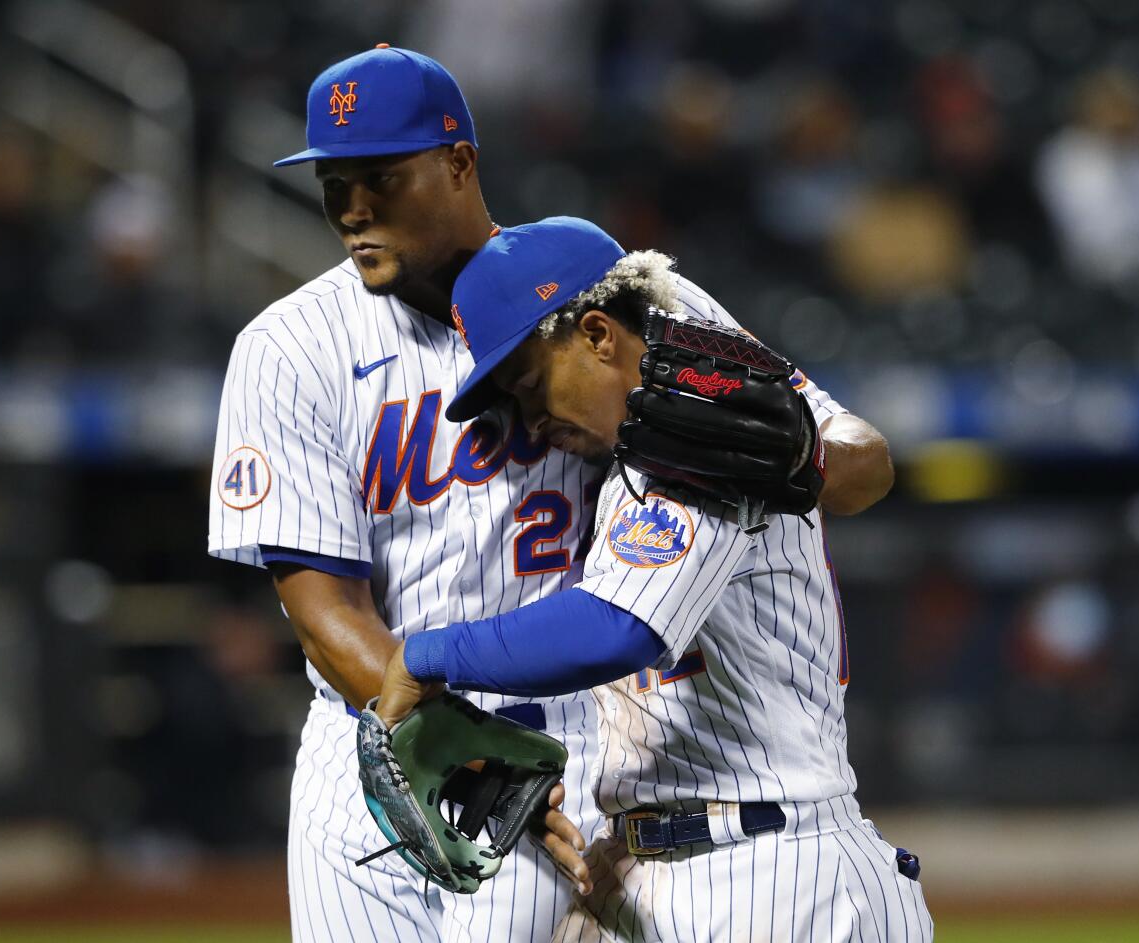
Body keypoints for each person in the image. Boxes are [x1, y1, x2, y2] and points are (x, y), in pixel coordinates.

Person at [207, 46, 896, 942]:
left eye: (380, 176)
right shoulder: (289, 346)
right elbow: (320, 609)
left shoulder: (611, 299)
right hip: (377, 737)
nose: (352, 208)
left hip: (570, 752)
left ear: (458, 161)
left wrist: (804, 459)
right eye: (334, 182)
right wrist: (458, 757)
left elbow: (862, 458)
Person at [373, 217, 930, 942]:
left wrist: (427, 654)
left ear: (599, 333)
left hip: (768, 872)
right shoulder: (658, 421)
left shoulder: (699, 424)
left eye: (532, 384)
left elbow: (619, 628)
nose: (530, 421)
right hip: (653, 863)